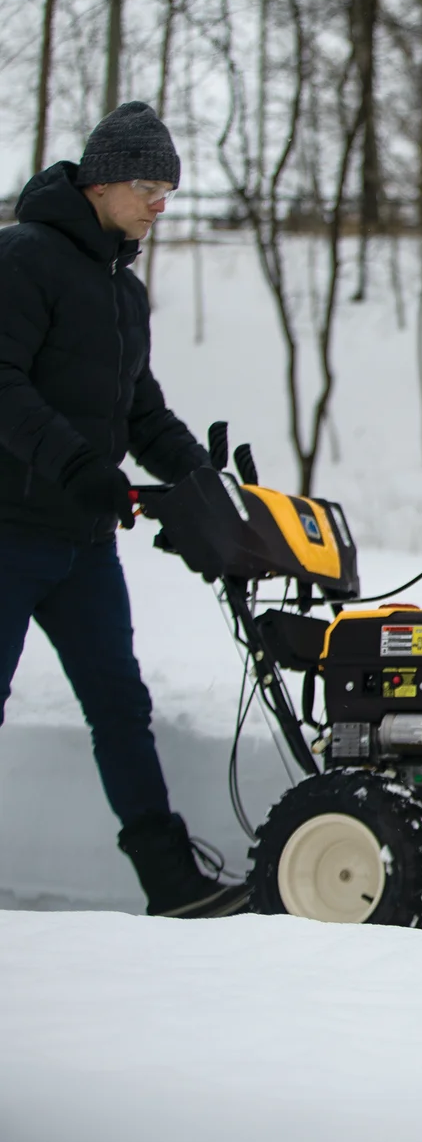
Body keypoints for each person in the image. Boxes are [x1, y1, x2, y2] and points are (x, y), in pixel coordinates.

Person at [0, 102, 245, 918]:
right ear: (99, 182)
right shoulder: (22, 258)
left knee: (120, 706)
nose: (158, 206)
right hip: (10, 531)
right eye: (147, 188)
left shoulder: (123, 291)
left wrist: (200, 476)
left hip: (82, 542)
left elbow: (140, 411)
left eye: (168, 193)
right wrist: (79, 466)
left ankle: (170, 882)